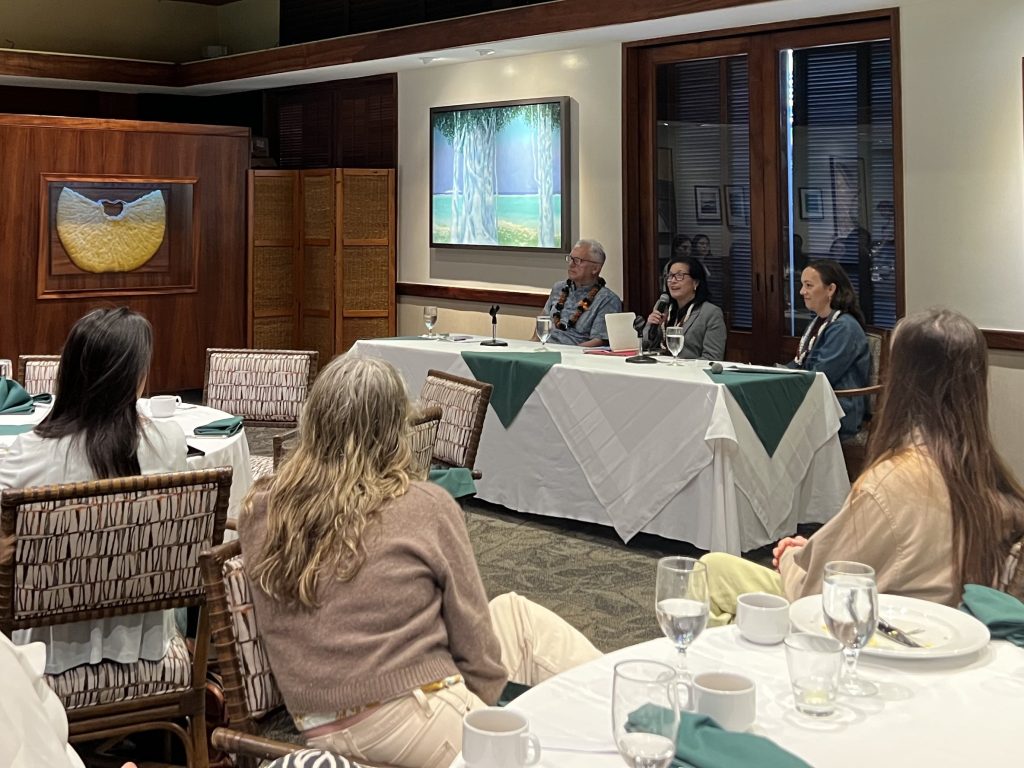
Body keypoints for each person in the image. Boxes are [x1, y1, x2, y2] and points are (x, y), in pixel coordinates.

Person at [238, 355, 601, 768]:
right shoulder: (422, 505)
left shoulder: (263, 508)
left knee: (516, 615)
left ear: (313, 422)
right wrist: (484, 715)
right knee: (554, 745)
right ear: (396, 430)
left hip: (313, 716)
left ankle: (625, 714)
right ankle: (632, 730)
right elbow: (473, 641)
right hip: (410, 715)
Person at [701, 308, 1024, 624]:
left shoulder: (894, 480)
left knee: (712, 569)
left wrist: (790, 560)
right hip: (940, 625)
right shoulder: (988, 474)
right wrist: (813, 550)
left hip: (875, 631)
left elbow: (818, 592)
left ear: (899, 379)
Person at [0, 307, 187, 673]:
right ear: (135, 378)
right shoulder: (170, 443)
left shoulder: (24, 455)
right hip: (147, 644)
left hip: (44, 654)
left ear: (67, 373)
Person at [787, 259, 870, 440]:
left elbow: (820, 375)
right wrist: (769, 372)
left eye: (808, 285)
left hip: (839, 411)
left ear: (830, 289)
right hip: (818, 405)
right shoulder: (819, 322)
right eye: (802, 285)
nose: (802, 292)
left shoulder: (844, 327)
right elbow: (801, 362)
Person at [541, 238, 622, 346]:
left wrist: (566, 354)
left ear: (595, 268)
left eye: (577, 260)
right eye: (570, 259)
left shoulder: (607, 300)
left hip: (575, 357)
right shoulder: (558, 288)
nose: (571, 264)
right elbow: (542, 322)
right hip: (546, 350)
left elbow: (599, 341)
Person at [645, 255, 727, 360]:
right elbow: (645, 346)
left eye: (679, 275)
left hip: (690, 373)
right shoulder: (662, 306)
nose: (673, 281)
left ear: (695, 282)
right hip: (659, 369)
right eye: (670, 276)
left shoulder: (710, 313)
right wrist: (651, 326)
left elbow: (712, 358)